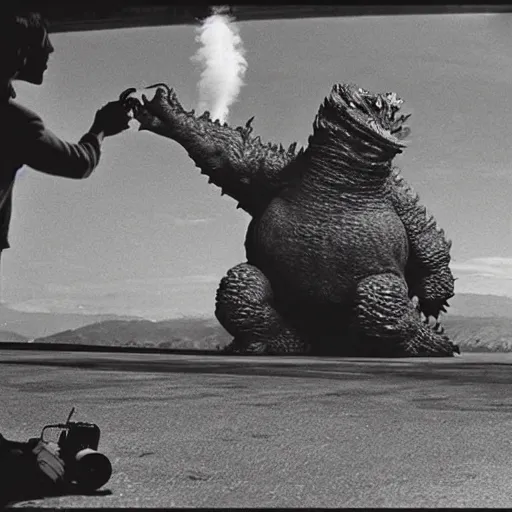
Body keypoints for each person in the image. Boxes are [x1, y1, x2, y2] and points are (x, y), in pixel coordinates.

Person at [0, 11, 131, 259]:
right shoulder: (16, 123)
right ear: (18, 52)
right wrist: (101, 128)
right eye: (41, 42)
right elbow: (78, 163)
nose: (50, 50)